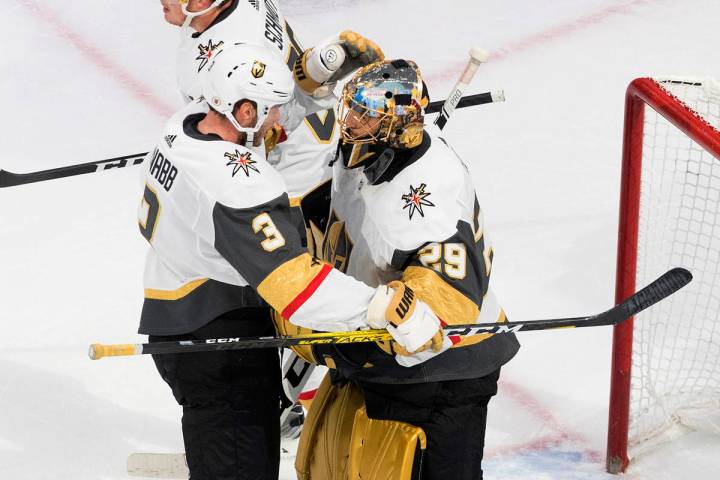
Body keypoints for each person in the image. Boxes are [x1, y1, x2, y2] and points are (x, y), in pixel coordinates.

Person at [137, 44, 447, 480]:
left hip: (178, 310)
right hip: (219, 345)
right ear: (244, 112)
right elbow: (295, 285)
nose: (282, 122)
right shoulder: (236, 185)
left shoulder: (187, 123)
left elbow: (261, 125)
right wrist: (380, 306)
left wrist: (312, 82)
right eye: (273, 111)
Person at [293, 60, 521, 480]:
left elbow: (451, 300)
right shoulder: (371, 148)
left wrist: (399, 312)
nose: (352, 120)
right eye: (354, 108)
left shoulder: (425, 204)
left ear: (396, 126)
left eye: (366, 114)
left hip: (447, 367)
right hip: (392, 357)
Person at [157, 0, 379, 431]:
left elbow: (267, 125)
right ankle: (287, 398)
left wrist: (198, 153)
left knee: (288, 287)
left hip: (287, 179)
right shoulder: (246, 7)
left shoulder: (230, 46)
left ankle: (288, 402)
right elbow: (284, 82)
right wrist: (316, 67)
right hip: (304, 161)